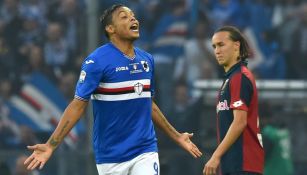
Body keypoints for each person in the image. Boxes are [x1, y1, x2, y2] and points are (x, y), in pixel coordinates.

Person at [23, 4, 202, 175]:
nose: (133, 19)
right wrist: (51, 145)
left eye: (133, 16)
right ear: (111, 29)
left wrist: (177, 136)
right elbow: (77, 106)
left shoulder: (147, 60)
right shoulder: (96, 62)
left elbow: (148, 104)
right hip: (110, 155)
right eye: (124, 17)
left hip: (145, 149)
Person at [203, 26, 264, 175]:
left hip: (244, 163)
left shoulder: (239, 77)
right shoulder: (231, 79)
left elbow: (239, 122)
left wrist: (215, 156)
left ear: (236, 45)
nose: (217, 50)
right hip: (235, 164)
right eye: (214, 46)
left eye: (221, 44)